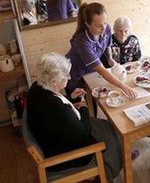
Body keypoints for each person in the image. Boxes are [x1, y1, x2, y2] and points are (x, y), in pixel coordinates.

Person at [26, 52, 122, 182]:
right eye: (66, 76)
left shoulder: (37, 87)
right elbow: (82, 134)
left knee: (105, 125)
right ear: (54, 81)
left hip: (55, 138)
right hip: (66, 155)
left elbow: (55, 103)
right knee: (111, 136)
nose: (69, 77)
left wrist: (70, 98)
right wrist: (83, 107)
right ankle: (109, 169)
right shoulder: (56, 107)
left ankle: (119, 154)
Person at [65, 2, 136, 100]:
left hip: (89, 73)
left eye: (105, 23)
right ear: (87, 24)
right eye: (99, 26)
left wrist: (109, 58)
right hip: (74, 77)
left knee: (97, 99)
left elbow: (107, 45)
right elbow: (101, 70)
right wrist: (123, 86)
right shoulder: (82, 42)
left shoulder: (106, 28)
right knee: (83, 107)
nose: (103, 28)